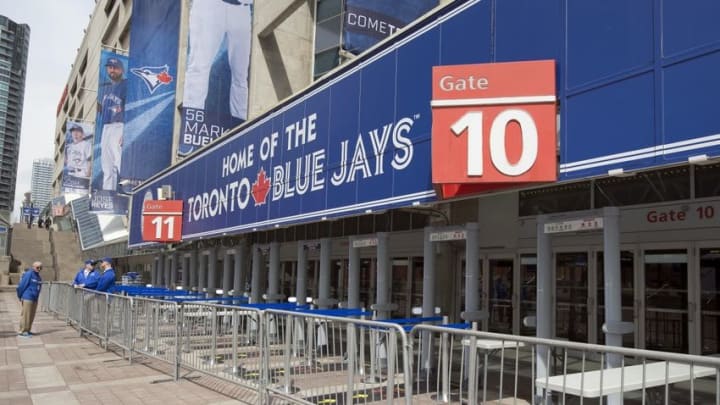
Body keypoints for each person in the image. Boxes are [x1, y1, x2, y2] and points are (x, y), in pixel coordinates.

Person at [183, 0, 252, 121]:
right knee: (198, 68)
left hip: (243, 8)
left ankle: (241, 124)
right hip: (210, 5)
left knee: (241, 75)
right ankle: (191, 121)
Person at [97, 57, 127, 191]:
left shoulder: (127, 85)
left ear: (121, 70)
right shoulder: (105, 88)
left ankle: (128, 185)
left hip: (119, 125)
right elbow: (104, 109)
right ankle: (108, 193)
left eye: (115, 67)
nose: (112, 70)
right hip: (106, 127)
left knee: (118, 159)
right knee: (107, 164)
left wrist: (127, 130)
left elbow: (132, 107)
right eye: (110, 67)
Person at [16, 261, 42, 337]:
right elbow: (21, 286)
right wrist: (20, 296)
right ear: (33, 267)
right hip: (28, 297)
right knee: (26, 315)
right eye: (37, 267)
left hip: (34, 299)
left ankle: (28, 330)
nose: (39, 269)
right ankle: (22, 331)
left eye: (41, 268)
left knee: (31, 315)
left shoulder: (38, 276)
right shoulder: (29, 274)